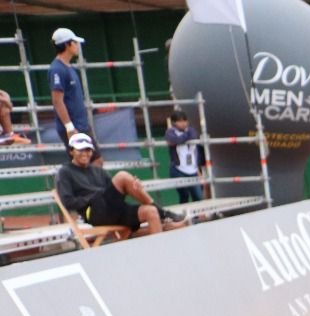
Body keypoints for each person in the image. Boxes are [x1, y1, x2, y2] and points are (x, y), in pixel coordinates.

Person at [55, 133, 185, 237]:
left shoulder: (97, 170)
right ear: (71, 151)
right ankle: (164, 213)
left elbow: (112, 192)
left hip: (112, 209)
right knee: (122, 177)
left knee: (150, 212)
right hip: (93, 212)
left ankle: (160, 252)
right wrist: (93, 197)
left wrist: (135, 188)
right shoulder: (65, 172)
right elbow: (68, 202)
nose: (85, 153)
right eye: (80, 149)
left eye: (88, 149)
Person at [49, 27, 90, 147]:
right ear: (68, 44)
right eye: (75, 42)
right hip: (74, 126)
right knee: (87, 160)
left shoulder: (67, 66)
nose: (77, 45)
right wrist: (69, 127)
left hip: (80, 124)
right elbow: (57, 101)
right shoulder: (57, 69)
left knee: (94, 161)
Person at [164, 110, 203, 206]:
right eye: (180, 121)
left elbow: (193, 136)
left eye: (185, 121)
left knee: (197, 196)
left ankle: (197, 217)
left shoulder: (191, 130)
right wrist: (184, 138)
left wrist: (181, 139)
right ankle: (183, 217)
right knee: (184, 194)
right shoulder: (170, 132)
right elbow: (174, 139)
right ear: (174, 123)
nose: (183, 123)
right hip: (178, 169)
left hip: (192, 169)